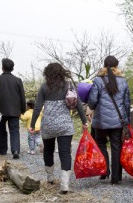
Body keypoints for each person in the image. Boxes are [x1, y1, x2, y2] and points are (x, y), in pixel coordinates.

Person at [29, 63, 88, 194]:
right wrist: (84, 121)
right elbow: (78, 104)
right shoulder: (68, 86)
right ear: (62, 72)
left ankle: (50, 178)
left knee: (48, 151)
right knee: (65, 153)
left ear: (47, 73)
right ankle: (65, 184)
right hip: (65, 125)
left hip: (48, 125)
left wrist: (32, 124)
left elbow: (37, 107)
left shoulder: (44, 87)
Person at [88, 55, 131, 185]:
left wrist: (91, 107)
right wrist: (126, 119)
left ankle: (105, 171)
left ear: (104, 65)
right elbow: (127, 103)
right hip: (118, 121)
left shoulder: (98, 80)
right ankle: (116, 177)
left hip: (101, 121)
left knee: (100, 143)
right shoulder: (123, 81)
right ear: (116, 66)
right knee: (116, 147)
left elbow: (92, 101)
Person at [0, 58, 26, 159]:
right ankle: (15, 150)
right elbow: (22, 97)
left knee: (1, 130)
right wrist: (23, 110)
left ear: (2, 68)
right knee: (14, 131)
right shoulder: (18, 81)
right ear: (12, 68)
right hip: (15, 111)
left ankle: (2, 151)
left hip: (0, 111)